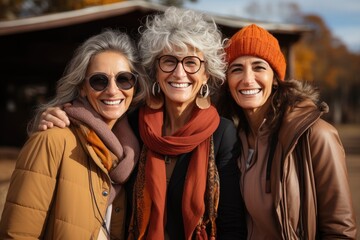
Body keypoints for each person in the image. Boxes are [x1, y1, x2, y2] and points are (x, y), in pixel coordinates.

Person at [31, 7, 247, 240]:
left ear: (206, 74)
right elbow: (92, 128)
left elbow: (231, 223)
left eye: (191, 62)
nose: (179, 72)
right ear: (155, 70)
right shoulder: (132, 124)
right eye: (169, 61)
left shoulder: (222, 132)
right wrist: (59, 115)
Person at [0, 29, 148, 239]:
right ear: (81, 88)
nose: (113, 90)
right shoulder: (51, 139)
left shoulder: (135, 149)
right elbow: (17, 233)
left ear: (135, 85)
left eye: (124, 79)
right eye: (99, 80)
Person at [217, 23, 357, 239]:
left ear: (275, 79)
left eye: (259, 67)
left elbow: (340, 232)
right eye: (237, 69)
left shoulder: (315, 135)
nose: (247, 79)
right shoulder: (234, 138)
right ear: (228, 82)